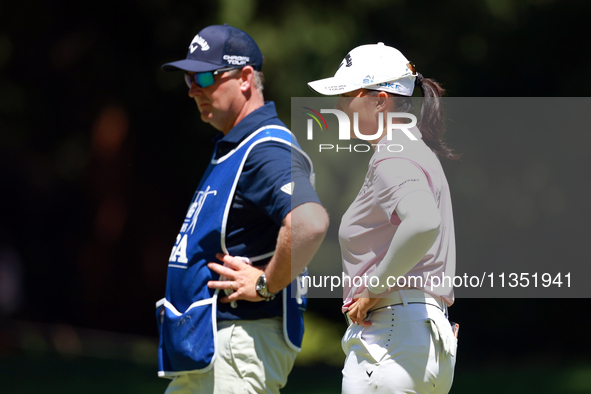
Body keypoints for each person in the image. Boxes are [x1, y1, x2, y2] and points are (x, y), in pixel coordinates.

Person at [156, 24, 329, 394]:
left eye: (205, 76)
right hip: (213, 350)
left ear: (246, 78)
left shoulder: (265, 148)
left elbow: (310, 221)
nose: (194, 90)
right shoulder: (235, 146)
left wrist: (266, 283)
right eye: (188, 80)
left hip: (237, 346)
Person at [307, 42, 459, 394]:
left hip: (391, 339)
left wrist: (373, 289)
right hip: (425, 341)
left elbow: (422, 222)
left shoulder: (393, 154)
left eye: (346, 94)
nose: (338, 106)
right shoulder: (416, 149)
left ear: (380, 99)